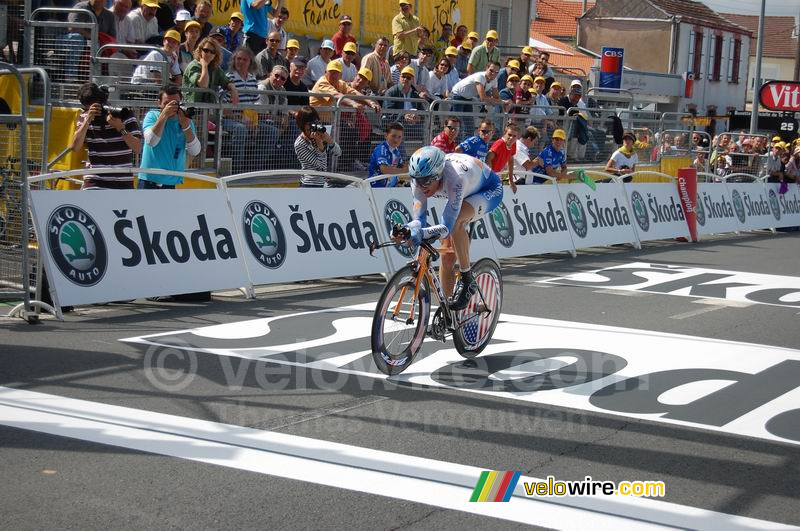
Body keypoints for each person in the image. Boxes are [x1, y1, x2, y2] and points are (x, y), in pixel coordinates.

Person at [391, 147, 504, 310]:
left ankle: (467, 279)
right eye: (417, 180)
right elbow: (419, 220)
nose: (422, 186)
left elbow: (446, 226)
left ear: (438, 174)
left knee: (456, 222)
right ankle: (446, 310)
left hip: (488, 189)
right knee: (447, 257)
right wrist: (406, 229)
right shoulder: (419, 180)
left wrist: (420, 233)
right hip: (464, 188)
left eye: (426, 181)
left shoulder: (455, 178)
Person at [70, 82, 142, 189]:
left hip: (122, 180)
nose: (97, 110)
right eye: (91, 107)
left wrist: (120, 128)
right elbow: (75, 147)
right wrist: (87, 121)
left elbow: (137, 148)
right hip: (95, 180)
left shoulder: (123, 114)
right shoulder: (85, 117)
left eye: (98, 105)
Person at [138, 84, 201, 188]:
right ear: (159, 103)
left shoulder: (186, 121)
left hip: (172, 182)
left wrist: (186, 126)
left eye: (174, 104)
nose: (171, 107)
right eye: (167, 104)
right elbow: (151, 141)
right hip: (149, 181)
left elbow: (195, 151)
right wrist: (164, 116)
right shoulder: (152, 116)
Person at [293, 105, 342, 187]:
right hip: (310, 184)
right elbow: (322, 167)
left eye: (315, 122)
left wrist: (330, 141)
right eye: (310, 124)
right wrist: (320, 145)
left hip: (323, 184)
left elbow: (338, 153)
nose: (313, 126)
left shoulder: (320, 134)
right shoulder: (300, 144)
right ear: (302, 125)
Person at [183, 37, 240, 104]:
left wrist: (234, 90)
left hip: (209, 111)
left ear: (215, 55)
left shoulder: (216, 69)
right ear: (200, 51)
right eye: (206, 50)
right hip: (192, 109)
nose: (209, 54)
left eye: (212, 52)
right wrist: (204, 66)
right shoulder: (193, 66)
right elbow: (203, 85)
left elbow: (227, 82)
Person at [368, 122, 407, 187]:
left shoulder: (396, 150)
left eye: (399, 137)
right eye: (393, 136)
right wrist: (404, 170)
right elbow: (385, 170)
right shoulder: (381, 149)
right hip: (377, 188)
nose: (396, 140)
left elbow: (401, 166)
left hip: (390, 186)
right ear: (386, 135)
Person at [486, 122, 519, 193]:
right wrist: (491, 177)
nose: (511, 138)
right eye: (509, 135)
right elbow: (488, 158)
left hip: (497, 175)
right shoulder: (500, 143)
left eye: (514, 136)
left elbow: (510, 160)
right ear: (505, 133)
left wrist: (511, 180)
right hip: (488, 177)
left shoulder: (513, 144)